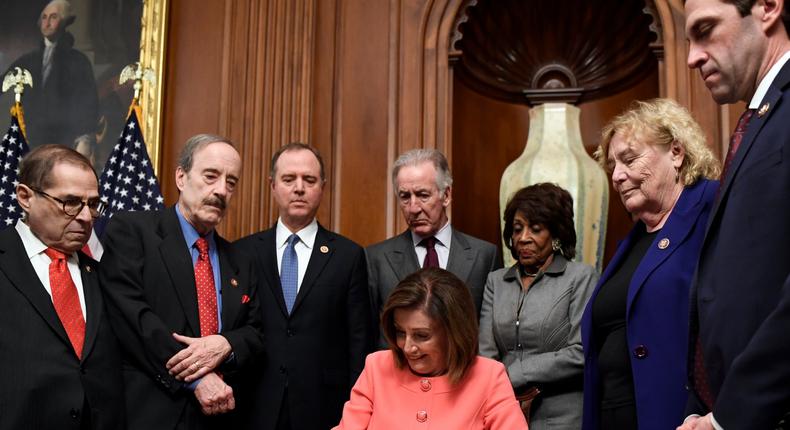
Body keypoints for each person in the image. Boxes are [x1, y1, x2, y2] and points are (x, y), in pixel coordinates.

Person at [98, 134, 265, 429]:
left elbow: (255, 333)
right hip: (150, 413)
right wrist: (197, 377)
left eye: (231, 182)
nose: (221, 190)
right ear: (181, 177)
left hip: (222, 416)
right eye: (211, 176)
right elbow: (133, 318)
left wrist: (226, 343)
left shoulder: (240, 259)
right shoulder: (133, 232)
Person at [679, 0, 790, 429]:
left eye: (705, 30)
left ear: (767, 7)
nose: (692, 57)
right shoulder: (757, 119)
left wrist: (730, 416)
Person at [578, 99, 720, 430]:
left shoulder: (713, 205)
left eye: (629, 159)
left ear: (676, 152)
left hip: (684, 417)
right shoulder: (632, 241)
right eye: (612, 165)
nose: (617, 176)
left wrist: (717, 413)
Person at [235, 142, 371, 430]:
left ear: (322, 187)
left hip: (325, 409)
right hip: (254, 407)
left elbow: (358, 342)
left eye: (309, 180)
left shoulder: (348, 256)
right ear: (273, 186)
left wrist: (356, 412)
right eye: (289, 179)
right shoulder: (243, 253)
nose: (299, 188)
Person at [0, 145, 124, 429]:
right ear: (25, 197)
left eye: (92, 205)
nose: (85, 217)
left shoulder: (103, 275)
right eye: (70, 202)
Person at [334, 268, 528, 429]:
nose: (408, 347)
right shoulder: (377, 367)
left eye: (421, 336)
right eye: (400, 332)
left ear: (455, 333)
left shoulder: (488, 377)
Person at [479, 182, 598, 430]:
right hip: (502, 411)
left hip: (562, 416)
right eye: (517, 229)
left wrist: (517, 372)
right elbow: (486, 354)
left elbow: (581, 352)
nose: (523, 238)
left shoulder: (580, 278)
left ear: (556, 235)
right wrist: (497, 387)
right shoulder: (496, 281)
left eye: (535, 229)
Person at [367, 149, 500, 342]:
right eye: (405, 197)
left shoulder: (485, 256)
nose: (413, 208)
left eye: (422, 195)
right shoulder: (375, 258)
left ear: (446, 195)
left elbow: (490, 333)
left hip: (463, 370)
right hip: (398, 369)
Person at [7, 0, 98, 148]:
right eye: (44, 17)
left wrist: (84, 140)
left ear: (64, 22)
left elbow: (88, 103)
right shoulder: (28, 60)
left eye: (53, 17)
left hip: (63, 142)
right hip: (30, 140)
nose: (47, 22)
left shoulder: (78, 61)